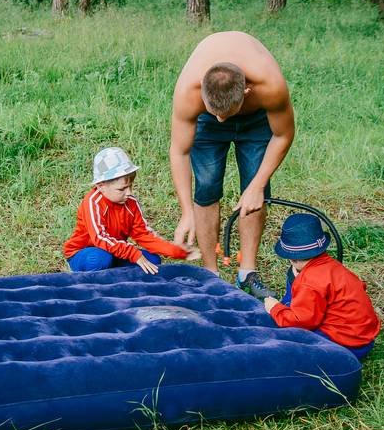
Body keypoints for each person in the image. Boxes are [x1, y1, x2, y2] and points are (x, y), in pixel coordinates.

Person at [170, 30, 295, 299]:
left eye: (227, 115)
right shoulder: (189, 91)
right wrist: (185, 212)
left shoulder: (269, 85)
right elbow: (179, 151)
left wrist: (257, 185)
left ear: (247, 92)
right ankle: (210, 274)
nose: (222, 121)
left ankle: (247, 274)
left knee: (255, 190)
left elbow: (283, 134)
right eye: (217, 114)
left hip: (256, 120)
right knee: (206, 186)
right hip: (207, 118)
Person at [64, 147, 200, 274]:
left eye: (130, 186)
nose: (129, 192)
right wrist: (134, 254)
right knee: (99, 259)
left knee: (153, 260)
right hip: (84, 253)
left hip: (114, 252)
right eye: (122, 189)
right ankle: (91, 283)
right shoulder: (93, 202)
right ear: (101, 186)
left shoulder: (131, 203)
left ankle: (115, 278)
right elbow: (100, 238)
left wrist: (177, 251)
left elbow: (144, 235)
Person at [264, 214, 380, 360]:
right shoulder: (333, 266)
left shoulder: (309, 281)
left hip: (346, 344)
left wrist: (275, 308)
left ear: (292, 258)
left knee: (287, 343)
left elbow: (302, 322)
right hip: (365, 338)